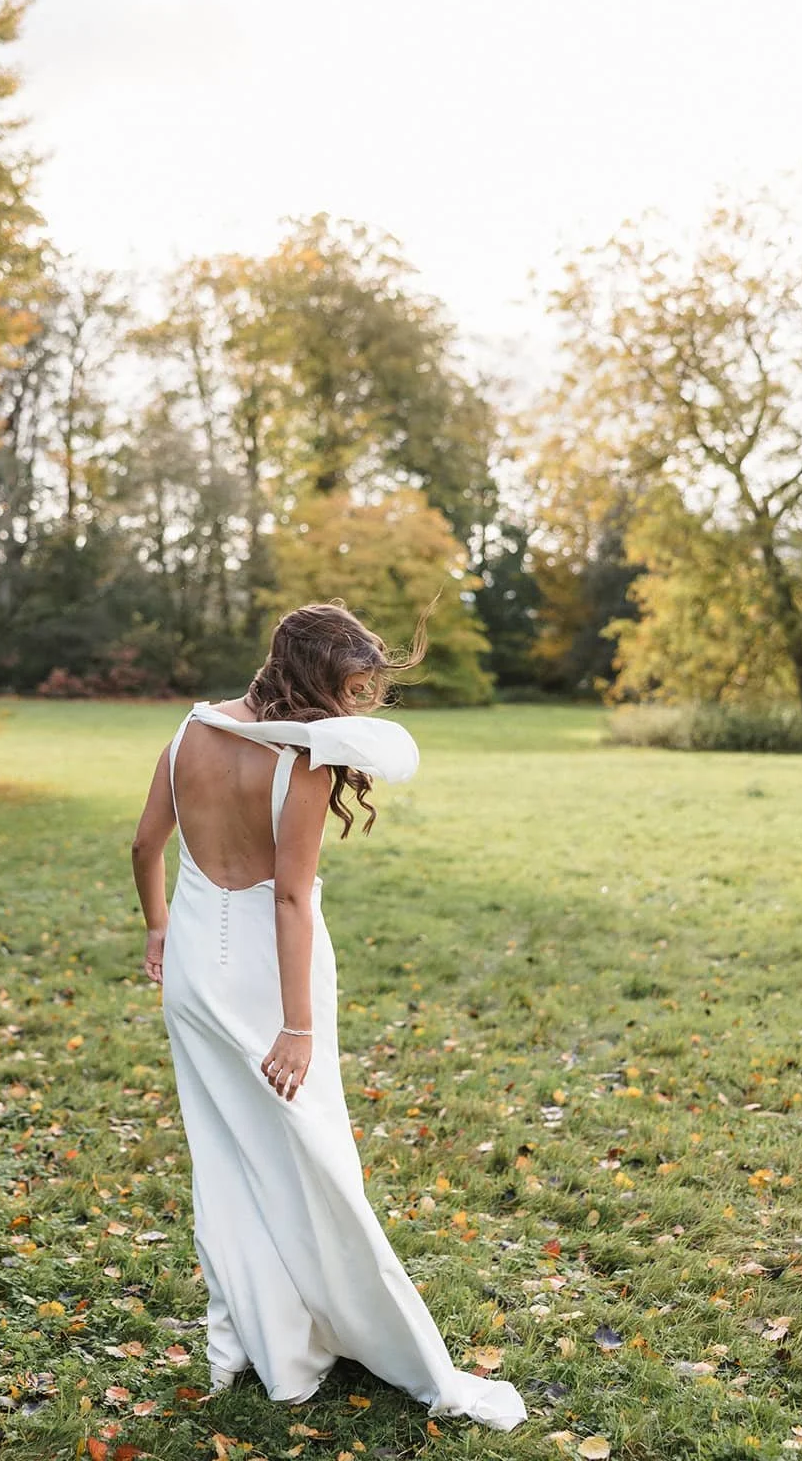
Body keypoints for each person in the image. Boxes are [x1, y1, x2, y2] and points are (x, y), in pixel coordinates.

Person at [130, 600, 526, 1432]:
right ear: (316, 680)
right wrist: (297, 1026)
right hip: (276, 983)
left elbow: (143, 846)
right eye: (350, 689)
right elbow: (289, 896)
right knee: (310, 1157)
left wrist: (158, 928)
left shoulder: (189, 734)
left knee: (228, 1158)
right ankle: (343, 1326)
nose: (355, 707)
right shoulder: (301, 761)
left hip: (197, 972)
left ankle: (262, 1342)